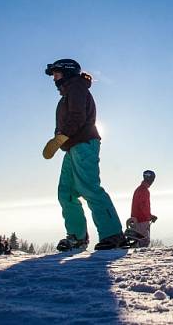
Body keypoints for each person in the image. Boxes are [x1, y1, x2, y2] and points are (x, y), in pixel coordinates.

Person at [45, 59, 126, 251]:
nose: (54, 78)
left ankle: (113, 234)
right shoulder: (66, 95)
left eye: (56, 74)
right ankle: (77, 237)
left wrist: (61, 137)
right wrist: (58, 137)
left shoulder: (77, 88)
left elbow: (77, 116)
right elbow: (66, 121)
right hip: (71, 146)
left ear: (67, 72)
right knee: (66, 193)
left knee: (89, 187)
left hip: (84, 143)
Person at [128, 170, 158, 248]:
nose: (153, 182)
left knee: (138, 242)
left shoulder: (139, 189)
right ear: (151, 179)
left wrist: (150, 216)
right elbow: (143, 207)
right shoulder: (144, 190)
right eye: (153, 179)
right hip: (141, 221)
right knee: (143, 243)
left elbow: (140, 206)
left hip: (136, 220)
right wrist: (150, 217)